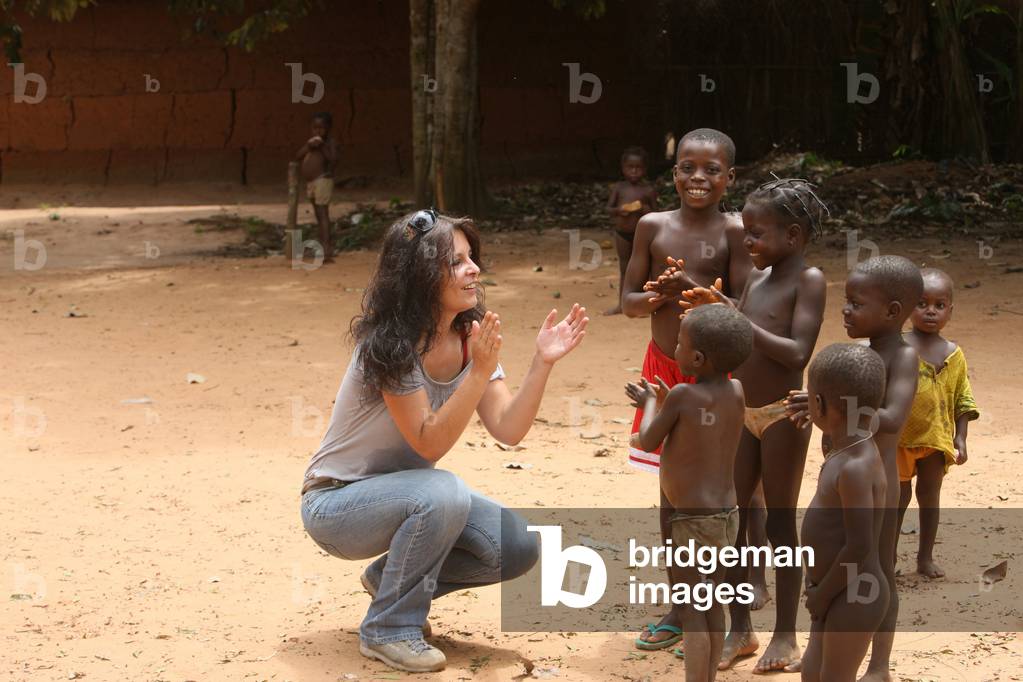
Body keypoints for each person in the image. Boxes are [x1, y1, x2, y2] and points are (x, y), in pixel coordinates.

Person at [300, 210, 589, 673]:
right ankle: (389, 628)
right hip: (336, 507)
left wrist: (542, 362)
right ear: (418, 275)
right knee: (444, 489)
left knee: (515, 545)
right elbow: (428, 443)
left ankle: (387, 581)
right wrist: (477, 372)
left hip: (416, 501)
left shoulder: (468, 335)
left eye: (471, 257)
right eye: (455, 262)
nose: (473, 268)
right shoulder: (390, 345)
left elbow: (508, 430)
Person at [680, 177, 828, 672]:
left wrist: (736, 319)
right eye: (745, 232)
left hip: (784, 413)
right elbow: (740, 339)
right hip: (739, 410)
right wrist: (712, 311)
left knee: (782, 522)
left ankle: (785, 633)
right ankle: (740, 628)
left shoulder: (809, 281)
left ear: (793, 235)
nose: (747, 243)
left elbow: (797, 352)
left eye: (757, 234)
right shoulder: (756, 279)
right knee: (734, 520)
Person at [621, 128, 751, 651]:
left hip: (716, 377)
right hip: (664, 370)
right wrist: (657, 297)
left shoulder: (736, 232)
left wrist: (703, 299)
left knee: (724, 491)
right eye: (688, 168)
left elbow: (744, 311)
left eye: (712, 169)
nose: (699, 178)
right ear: (673, 175)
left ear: (730, 178)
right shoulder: (651, 226)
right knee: (671, 494)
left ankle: (729, 602)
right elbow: (627, 300)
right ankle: (681, 606)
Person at [788, 255, 922, 682]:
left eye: (856, 303)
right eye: (845, 301)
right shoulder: (860, 356)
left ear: (893, 312)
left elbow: (895, 417)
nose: (845, 310)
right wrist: (819, 402)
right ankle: (826, 643)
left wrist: (844, 405)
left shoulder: (903, 356)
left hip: (880, 479)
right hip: (849, 475)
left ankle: (878, 664)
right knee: (839, 563)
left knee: (876, 568)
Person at [625, 304, 753, 682]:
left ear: (696, 358)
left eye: (679, 343)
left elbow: (648, 440)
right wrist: (667, 403)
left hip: (691, 523)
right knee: (711, 603)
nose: (674, 349)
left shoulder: (682, 395)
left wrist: (650, 403)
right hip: (727, 518)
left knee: (692, 607)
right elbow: (700, 429)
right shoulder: (736, 390)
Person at [799, 343, 890, 682]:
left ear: (818, 404)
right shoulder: (847, 447)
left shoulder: (854, 467)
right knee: (813, 673)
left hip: (854, 594)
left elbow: (859, 547)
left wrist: (822, 595)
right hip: (836, 589)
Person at [896, 268, 980, 578]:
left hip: (936, 439)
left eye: (939, 305)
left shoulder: (954, 354)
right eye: (922, 303)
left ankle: (924, 557)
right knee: (898, 499)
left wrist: (961, 437)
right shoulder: (898, 347)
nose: (930, 311)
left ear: (950, 311)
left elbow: (963, 399)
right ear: (906, 306)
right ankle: (887, 556)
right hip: (900, 440)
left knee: (929, 496)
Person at [606, 146, 658, 315]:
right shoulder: (619, 188)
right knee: (624, 268)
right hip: (622, 233)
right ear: (623, 169)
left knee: (645, 269)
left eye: (638, 168)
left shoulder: (648, 190)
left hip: (642, 236)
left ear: (644, 169)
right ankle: (621, 304)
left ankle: (645, 305)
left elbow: (657, 215)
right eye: (630, 167)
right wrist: (619, 210)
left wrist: (644, 209)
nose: (634, 171)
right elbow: (609, 209)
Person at [296, 111, 338, 261]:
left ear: (328, 128)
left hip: (323, 181)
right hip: (312, 183)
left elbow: (333, 160)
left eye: (321, 128)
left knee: (323, 215)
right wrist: (309, 146)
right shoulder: (310, 143)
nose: (318, 131)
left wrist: (321, 147)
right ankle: (322, 247)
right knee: (318, 216)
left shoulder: (329, 143)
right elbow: (298, 156)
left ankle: (326, 250)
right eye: (315, 128)